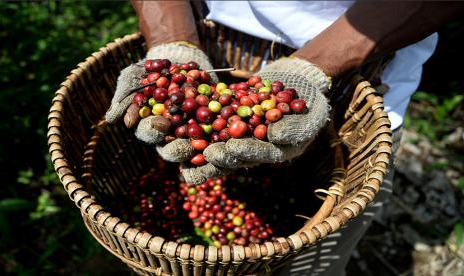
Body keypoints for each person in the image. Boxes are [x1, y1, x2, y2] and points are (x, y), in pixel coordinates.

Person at [106, 1, 464, 275]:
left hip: (363, 75)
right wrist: (171, 41)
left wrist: (310, 68)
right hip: (208, 37)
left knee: (312, 262)